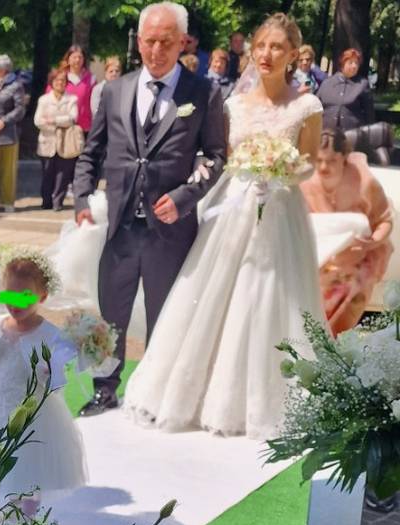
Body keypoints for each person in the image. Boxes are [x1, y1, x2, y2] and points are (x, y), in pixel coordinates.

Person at [123, 12, 326, 439]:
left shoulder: (307, 107)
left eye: (277, 48)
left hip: (280, 214)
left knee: (268, 297)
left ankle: (261, 403)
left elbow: (309, 167)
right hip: (232, 211)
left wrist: (280, 172)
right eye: (261, 46)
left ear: (292, 55)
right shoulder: (232, 104)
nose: (267, 54)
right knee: (210, 294)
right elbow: (218, 157)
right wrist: (246, 172)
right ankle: (190, 397)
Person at [73, 1, 226, 417]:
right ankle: (105, 388)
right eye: (150, 41)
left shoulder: (204, 93)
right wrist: (82, 197)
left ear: (182, 42)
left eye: (166, 42)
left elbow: (214, 157)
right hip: (120, 226)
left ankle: (157, 394)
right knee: (110, 314)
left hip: (169, 230)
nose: (156, 51)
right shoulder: (115, 90)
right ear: (138, 42)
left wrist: (183, 198)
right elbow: (92, 151)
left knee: (165, 314)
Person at [0, 250, 87, 514]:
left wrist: (49, 372)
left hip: (29, 413)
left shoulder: (51, 335)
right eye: (10, 294)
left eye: (25, 296)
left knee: (26, 467)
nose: (15, 303)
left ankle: (21, 518)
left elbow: (58, 381)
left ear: (42, 296)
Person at [301, 129, 393, 335]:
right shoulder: (305, 181)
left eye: (332, 160)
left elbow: (384, 221)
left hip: (357, 261)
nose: (324, 167)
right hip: (317, 259)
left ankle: (336, 340)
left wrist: (372, 243)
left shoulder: (365, 182)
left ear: (344, 157)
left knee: (356, 279)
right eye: (319, 160)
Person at [0, 54, 26, 213]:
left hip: (9, 134)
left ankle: (8, 201)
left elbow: (20, 109)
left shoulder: (15, 85)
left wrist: (3, 121)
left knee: (8, 170)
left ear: (2, 70)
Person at [35, 68, 81, 211]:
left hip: (65, 142)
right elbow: (38, 121)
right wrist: (59, 124)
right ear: (52, 82)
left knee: (63, 174)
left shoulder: (72, 99)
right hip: (47, 142)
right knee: (47, 173)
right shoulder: (43, 100)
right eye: (57, 80)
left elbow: (72, 118)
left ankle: (58, 202)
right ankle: (46, 201)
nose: (60, 83)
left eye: (63, 80)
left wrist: (53, 120)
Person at [317, 48, 375, 132]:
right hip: (326, 134)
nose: (354, 66)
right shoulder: (327, 83)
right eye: (350, 62)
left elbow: (369, 113)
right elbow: (316, 106)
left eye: (356, 63)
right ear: (342, 64)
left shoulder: (362, 84)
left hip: (352, 135)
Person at [56, 45, 96, 134]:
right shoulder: (59, 77)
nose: (77, 60)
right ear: (68, 59)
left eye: (80, 57)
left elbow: (95, 103)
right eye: (74, 57)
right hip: (63, 126)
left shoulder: (91, 79)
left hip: (84, 127)